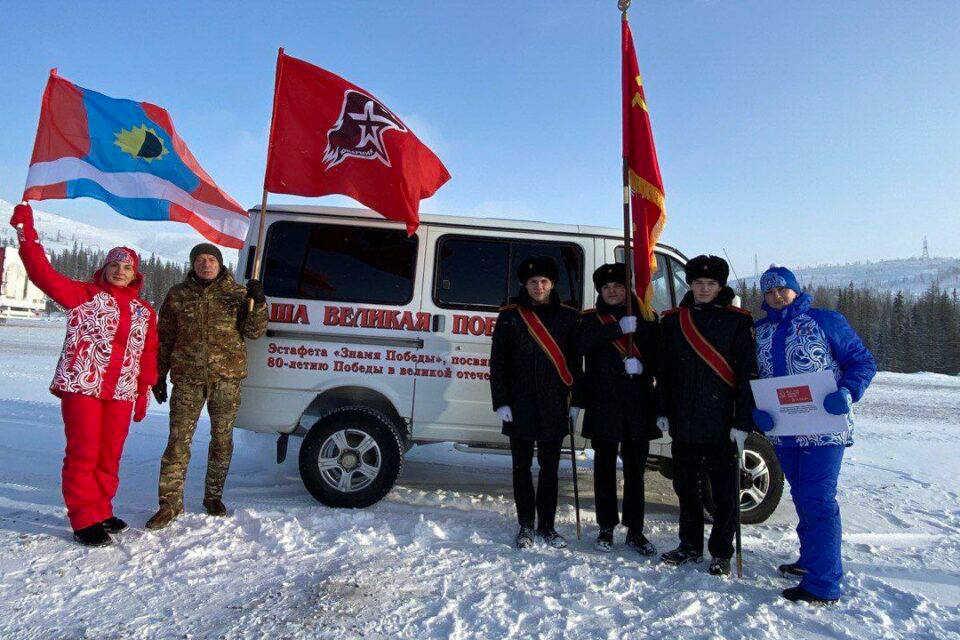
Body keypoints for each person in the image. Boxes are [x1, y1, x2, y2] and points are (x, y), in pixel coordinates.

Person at [9, 203, 157, 547]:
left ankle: (102, 508)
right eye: (114, 265)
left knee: (110, 454)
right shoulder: (82, 296)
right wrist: (26, 235)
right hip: (83, 387)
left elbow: (147, 354)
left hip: (121, 391)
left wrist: (142, 391)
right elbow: (42, 274)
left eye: (127, 267)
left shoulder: (144, 311)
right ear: (104, 268)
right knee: (84, 452)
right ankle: (83, 516)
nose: (120, 271)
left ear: (135, 274)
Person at [752, 264, 876, 604]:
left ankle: (824, 583)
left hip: (825, 430)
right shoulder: (760, 331)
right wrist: (758, 408)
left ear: (795, 289)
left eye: (782, 289)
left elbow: (862, 362)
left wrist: (848, 391)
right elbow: (759, 376)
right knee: (803, 497)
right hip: (786, 431)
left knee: (819, 500)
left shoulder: (824, 321)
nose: (777, 296)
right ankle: (810, 561)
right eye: (770, 291)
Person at [145, 243, 268, 530]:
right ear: (193, 264)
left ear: (220, 263)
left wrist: (258, 303)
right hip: (187, 380)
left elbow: (254, 331)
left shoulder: (237, 294)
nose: (205, 264)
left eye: (211, 259)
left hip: (226, 380)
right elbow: (165, 338)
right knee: (177, 442)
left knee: (221, 441)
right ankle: (169, 504)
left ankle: (213, 496)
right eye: (200, 260)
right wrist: (158, 376)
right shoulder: (178, 295)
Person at [656, 254, 756, 576]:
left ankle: (722, 552)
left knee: (724, 490)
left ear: (720, 286)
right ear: (691, 284)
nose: (703, 288)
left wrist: (743, 422)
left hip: (721, 421)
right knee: (686, 487)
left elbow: (746, 376)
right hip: (684, 418)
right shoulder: (673, 320)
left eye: (710, 284)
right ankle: (689, 545)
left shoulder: (738, 322)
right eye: (698, 283)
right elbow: (664, 370)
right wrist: (662, 409)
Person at [490, 256, 580, 549]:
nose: (538, 286)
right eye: (532, 282)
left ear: (552, 284)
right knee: (521, 468)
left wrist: (575, 400)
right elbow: (498, 362)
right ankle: (526, 525)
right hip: (519, 405)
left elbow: (576, 363)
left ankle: (548, 527)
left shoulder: (568, 316)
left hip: (554, 404)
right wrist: (501, 401)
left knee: (550, 469)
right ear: (524, 285)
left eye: (543, 282)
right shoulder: (510, 316)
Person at [574, 263, 660, 554]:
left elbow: (662, 360)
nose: (612, 291)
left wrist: (644, 364)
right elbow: (579, 348)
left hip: (638, 405)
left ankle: (635, 530)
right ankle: (606, 527)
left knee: (635, 472)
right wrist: (616, 329)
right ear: (600, 290)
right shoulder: (589, 319)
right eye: (607, 287)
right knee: (604, 469)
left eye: (618, 287)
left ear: (627, 289)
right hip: (604, 403)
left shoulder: (647, 318)